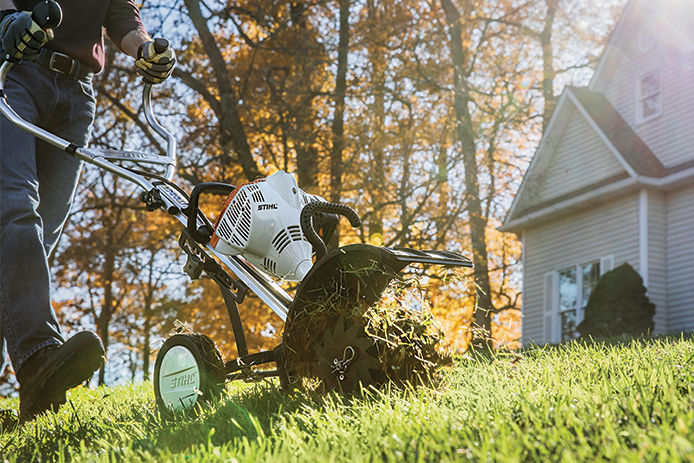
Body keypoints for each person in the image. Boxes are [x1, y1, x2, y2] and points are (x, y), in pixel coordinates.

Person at [0, 0, 176, 422]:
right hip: (14, 73)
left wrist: (146, 49)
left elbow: (119, 14)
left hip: (77, 97)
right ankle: (39, 354)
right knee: (15, 211)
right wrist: (8, 21)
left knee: (34, 243)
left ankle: (37, 392)